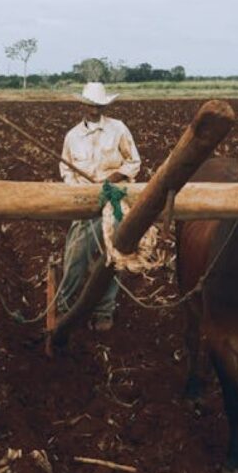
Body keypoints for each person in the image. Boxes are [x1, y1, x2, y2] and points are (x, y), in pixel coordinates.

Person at [58, 81, 141, 331]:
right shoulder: (72, 137)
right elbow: (65, 169)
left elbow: (133, 162)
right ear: (82, 105)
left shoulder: (119, 129)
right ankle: (64, 305)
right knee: (76, 255)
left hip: (114, 198)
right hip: (84, 202)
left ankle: (104, 309)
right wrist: (79, 193)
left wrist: (112, 179)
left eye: (98, 106)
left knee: (112, 256)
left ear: (104, 106)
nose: (94, 110)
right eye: (90, 105)